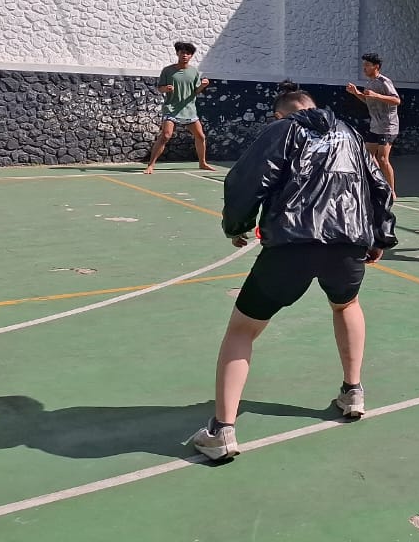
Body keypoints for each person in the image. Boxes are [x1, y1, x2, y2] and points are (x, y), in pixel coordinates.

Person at [188, 90, 397, 461]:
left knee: (243, 329)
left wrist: (237, 224)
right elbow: (379, 184)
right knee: (346, 303)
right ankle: (353, 391)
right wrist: (381, 234)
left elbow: (246, 180)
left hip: (292, 243)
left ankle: (221, 430)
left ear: (279, 114)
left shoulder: (283, 131)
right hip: (347, 241)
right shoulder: (349, 133)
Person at [145, 41, 215, 174]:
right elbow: (160, 88)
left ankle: (202, 163)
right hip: (171, 109)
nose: (185, 55)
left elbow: (196, 91)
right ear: (177, 53)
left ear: (191, 56)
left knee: (200, 136)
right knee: (166, 135)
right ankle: (151, 165)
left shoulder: (194, 71)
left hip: (189, 110)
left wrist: (203, 85)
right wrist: (166, 88)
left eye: (188, 53)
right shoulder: (167, 71)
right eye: (182, 53)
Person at [346, 53, 401, 196]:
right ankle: (379, 182)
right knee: (367, 156)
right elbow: (368, 101)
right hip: (375, 126)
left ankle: (392, 191)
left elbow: (396, 100)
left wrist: (377, 95)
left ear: (376, 67)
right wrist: (356, 93)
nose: (364, 68)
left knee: (383, 158)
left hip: (388, 127)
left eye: (367, 65)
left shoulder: (384, 82)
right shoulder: (370, 83)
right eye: (363, 65)